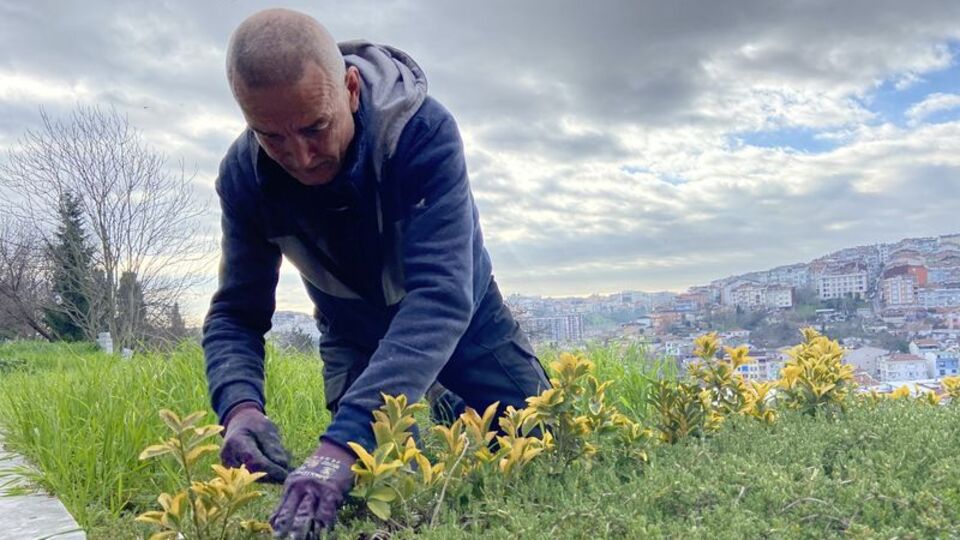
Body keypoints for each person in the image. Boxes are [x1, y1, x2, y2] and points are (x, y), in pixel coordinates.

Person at [202, 8, 551, 538]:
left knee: (543, 450)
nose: (300, 157)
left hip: (466, 319)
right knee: (376, 493)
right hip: (354, 330)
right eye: (271, 136)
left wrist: (338, 445)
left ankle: (445, 396)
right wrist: (239, 409)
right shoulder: (244, 178)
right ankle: (431, 401)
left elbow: (441, 296)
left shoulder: (422, 133)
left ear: (351, 88)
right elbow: (235, 313)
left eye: (316, 127)